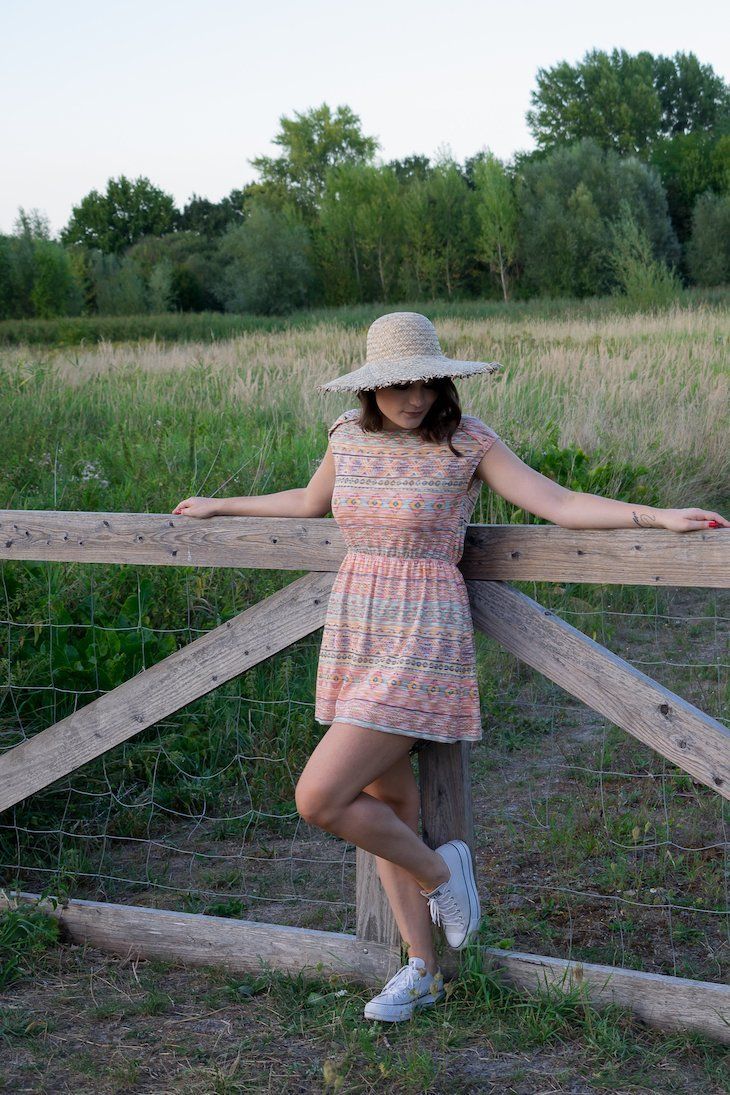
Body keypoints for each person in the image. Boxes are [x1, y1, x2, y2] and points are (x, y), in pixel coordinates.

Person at [173, 310, 728, 1024]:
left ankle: (442, 873)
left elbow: (558, 502)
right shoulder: (345, 437)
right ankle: (423, 971)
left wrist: (656, 515)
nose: (416, 398)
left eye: (427, 383)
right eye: (399, 385)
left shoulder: (467, 441)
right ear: (370, 389)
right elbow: (310, 502)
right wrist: (221, 505)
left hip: (422, 631)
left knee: (319, 797)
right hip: (359, 625)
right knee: (389, 806)